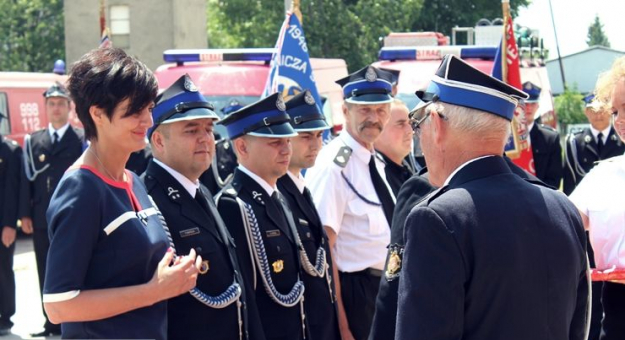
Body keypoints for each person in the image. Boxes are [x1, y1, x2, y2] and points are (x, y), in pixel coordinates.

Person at [395, 55, 588, 340]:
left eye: (418, 122)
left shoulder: (437, 218)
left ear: (435, 124)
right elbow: (578, 326)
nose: (418, 136)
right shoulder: (563, 208)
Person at [42, 48, 201, 340]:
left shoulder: (133, 180)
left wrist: (175, 273)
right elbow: (58, 305)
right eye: (135, 112)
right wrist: (152, 291)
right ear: (98, 114)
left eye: (150, 109)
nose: (147, 121)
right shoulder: (82, 188)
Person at [143, 74, 261, 340]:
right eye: (191, 130)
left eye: (208, 129)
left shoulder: (201, 191)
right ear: (159, 141)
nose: (206, 138)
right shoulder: (147, 202)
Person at [305, 65, 395, 340]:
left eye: (381, 110)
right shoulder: (334, 166)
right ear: (345, 111)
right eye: (364, 110)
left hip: (384, 287)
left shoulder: (375, 160)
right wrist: (342, 325)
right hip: (356, 294)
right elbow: (323, 250)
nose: (374, 118)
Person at [216, 93, 307, 340]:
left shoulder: (278, 196)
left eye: (287, 140)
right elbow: (246, 298)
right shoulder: (234, 204)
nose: (286, 148)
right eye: (274, 141)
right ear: (242, 146)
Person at [19, 82, 85, 337]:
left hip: (73, 217)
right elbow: (28, 181)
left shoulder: (80, 139)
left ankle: (71, 322)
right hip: (41, 218)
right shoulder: (34, 140)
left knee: (71, 268)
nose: (56, 108)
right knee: (44, 269)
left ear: (69, 108)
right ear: (45, 107)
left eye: (60, 104)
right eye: (51, 104)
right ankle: (50, 324)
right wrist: (24, 214)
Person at [569, 55, 625, 340]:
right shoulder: (603, 175)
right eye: (615, 111)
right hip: (618, 306)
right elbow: (563, 222)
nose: (620, 120)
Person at [277, 90, 340, 340]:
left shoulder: (301, 187)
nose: (316, 144)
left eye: (319, 135)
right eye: (305, 136)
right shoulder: (278, 193)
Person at [563, 94, 625, 195]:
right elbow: (569, 182)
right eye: (593, 111)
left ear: (610, 111)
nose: (598, 116)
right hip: (584, 202)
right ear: (586, 112)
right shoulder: (574, 142)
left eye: (602, 110)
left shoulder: (622, 139)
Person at [0, 134, 22, 336]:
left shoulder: (10, 150)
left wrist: (9, 225)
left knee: (3, 270)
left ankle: (5, 317)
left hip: (1, 224)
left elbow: (13, 190)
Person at [523, 81, 563, 189]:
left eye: (533, 104)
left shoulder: (550, 138)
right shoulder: (509, 139)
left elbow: (554, 179)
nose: (529, 108)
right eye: (525, 104)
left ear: (538, 106)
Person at [374, 99, 415, 196]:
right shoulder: (375, 175)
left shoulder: (402, 168)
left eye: (410, 123)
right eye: (400, 124)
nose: (410, 130)